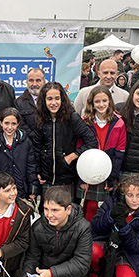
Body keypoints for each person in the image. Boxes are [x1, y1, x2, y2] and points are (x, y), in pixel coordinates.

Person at [16, 186, 92, 277]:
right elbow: (32, 256)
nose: (49, 215)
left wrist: (52, 274)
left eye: (55, 210)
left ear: (68, 209)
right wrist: (26, 276)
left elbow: (81, 263)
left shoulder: (83, 227)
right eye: (46, 209)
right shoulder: (37, 226)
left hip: (66, 271)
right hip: (41, 269)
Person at [34, 82, 97, 212]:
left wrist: (72, 156)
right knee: (46, 214)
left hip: (67, 177)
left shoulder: (72, 118)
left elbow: (91, 141)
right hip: (47, 179)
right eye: (49, 99)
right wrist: (37, 171)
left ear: (62, 99)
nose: (53, 102)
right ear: (43, 100)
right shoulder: (40, 119)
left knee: (67, 214)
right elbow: (36, 147)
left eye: (57, 98)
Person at [79, 85, 127, 222]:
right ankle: (86, 231)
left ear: (110, 102)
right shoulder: (85, 122)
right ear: (92, 104)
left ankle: (96, 230)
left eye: (104, 101)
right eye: (97, 102)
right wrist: (83, 178)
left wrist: (111, 178)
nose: (101, 105)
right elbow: (80, 149)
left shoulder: (119, 123)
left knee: (100, 205)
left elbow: (119, 153)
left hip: (107, 170)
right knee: (89, 204)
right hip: (88, 169)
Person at [0, 107, 40, 202]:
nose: (9, 127)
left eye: (13, 124)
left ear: (18, 124)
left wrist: (33, 189)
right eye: (6, 123)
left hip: (21, 189)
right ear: (1, 123)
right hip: (2, 191)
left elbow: (31, 167)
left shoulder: (26, 142)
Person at [14, 68, 45, 142]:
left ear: (44, 82)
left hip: (48, 146)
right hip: (29, 146)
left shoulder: (50, 100)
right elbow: (20, 125)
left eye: (38, 80)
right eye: (31, 80)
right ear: (27, 82)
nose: (34, 84)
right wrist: (36, 138)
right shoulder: (18, 103)